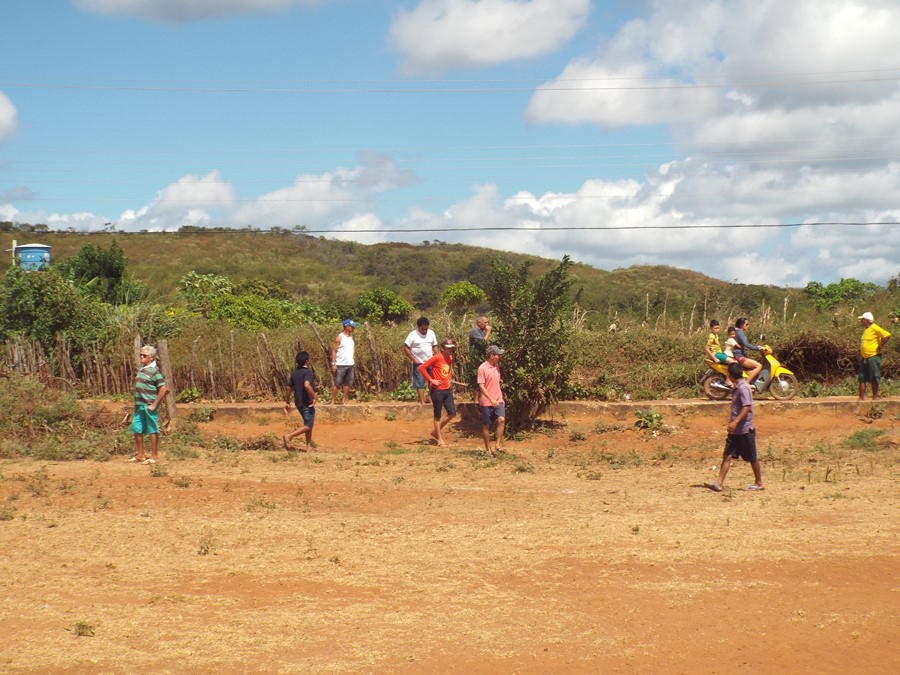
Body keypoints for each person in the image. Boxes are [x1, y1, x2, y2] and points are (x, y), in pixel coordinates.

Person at [705, 362, 764, 492]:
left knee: (752, 457)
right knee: (727, 455)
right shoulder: (738, 387)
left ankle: (759, 482)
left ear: (730, 375)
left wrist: (735, 422)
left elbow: (747, 406)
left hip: (744, 430)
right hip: (735, 431)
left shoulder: (744, 388)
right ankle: (719, 483)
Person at [129, 345, 168, 465]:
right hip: (139, 405)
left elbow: (163, 388)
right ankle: (140, 455)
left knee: (152, 429)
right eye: (141, 355)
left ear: (151, 357)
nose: (141, 357)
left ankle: (154, 456)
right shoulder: (142, 368)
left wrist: (154, 404)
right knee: (137, 429)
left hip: (149, 405)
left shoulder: (154, 371)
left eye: (144, 355)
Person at [418, 338, 457, 447]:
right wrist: (431, 380)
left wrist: (449, 378)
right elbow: (421, 368)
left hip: (447, 389)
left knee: (452, 413)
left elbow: (447, 370)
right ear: (442, 348)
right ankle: (439, 439)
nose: (450, 350)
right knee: (437, 415)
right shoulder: (436, 357)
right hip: (437, 390)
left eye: (451, 348)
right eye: (448, 348)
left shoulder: (450, 358)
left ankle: (436, 432)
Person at [283, 351, 318, 452]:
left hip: (298, 402)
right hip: (307, 402)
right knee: (308, 425)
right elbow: (307, 385)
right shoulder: (308, 372)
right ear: (307, 361)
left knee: (308, 424)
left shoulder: (294, 373)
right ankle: (289, 436)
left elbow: (289, 388)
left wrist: (287, 401)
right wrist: (314, 396)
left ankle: (308, 446)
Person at [477, 345, 506, 456]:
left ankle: (497, 444)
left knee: (501, 420)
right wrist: (490, 398)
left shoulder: (496, 366)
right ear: (491, 356)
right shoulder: (482, 368)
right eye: (497, 355)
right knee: (486, 425)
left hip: (498, 399)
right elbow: (481, 386)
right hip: (487, 401)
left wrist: (497, 399)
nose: (499, 357)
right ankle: (488, 449)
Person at [403, 316, 438, 405]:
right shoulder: (412, 335)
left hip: (430, 360)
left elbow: (434, 346)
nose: (425, 331)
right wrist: (414, 359)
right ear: (418, 327)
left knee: (432, 380)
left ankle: (429, 396)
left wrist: (437, 358)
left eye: (426, 329)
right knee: (420, 381)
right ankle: (422, 401)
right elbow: (406, 348)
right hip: (419, 363)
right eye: (423, 329)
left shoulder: (431, 333)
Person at [857, 311, 891, 401]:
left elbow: (887, 335)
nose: (861, 321)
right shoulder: (866, 329)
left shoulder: (875, 328)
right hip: (864, 357)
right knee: (862, 377)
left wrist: (880, 346)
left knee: (874, 377)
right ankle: (861, 398)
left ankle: (875, 397)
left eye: (863, 320)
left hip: (873, 356)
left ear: (868, 320)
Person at [330, 319, 357, 404]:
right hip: (340, 364)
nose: (353, 328)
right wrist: (333, 363)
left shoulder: (351, 337)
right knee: (337, 383)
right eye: (352, 327)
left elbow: (353, 348)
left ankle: (343, 400)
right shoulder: (339, 337)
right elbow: (334, 350)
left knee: (347, 383)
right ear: (346, 327)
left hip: (350, 364)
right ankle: (333, 401)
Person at [732, 317, 763, 385]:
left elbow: (744, 345)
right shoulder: (739, 332)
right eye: (747, 324)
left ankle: (751, 384)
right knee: (758, 366)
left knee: (750, 371)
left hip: (740, 355)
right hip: (739, 356)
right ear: (741, 325)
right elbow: (745, 343)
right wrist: (757, 348)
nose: (748, 326)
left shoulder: (738, 331)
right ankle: (746, 384)